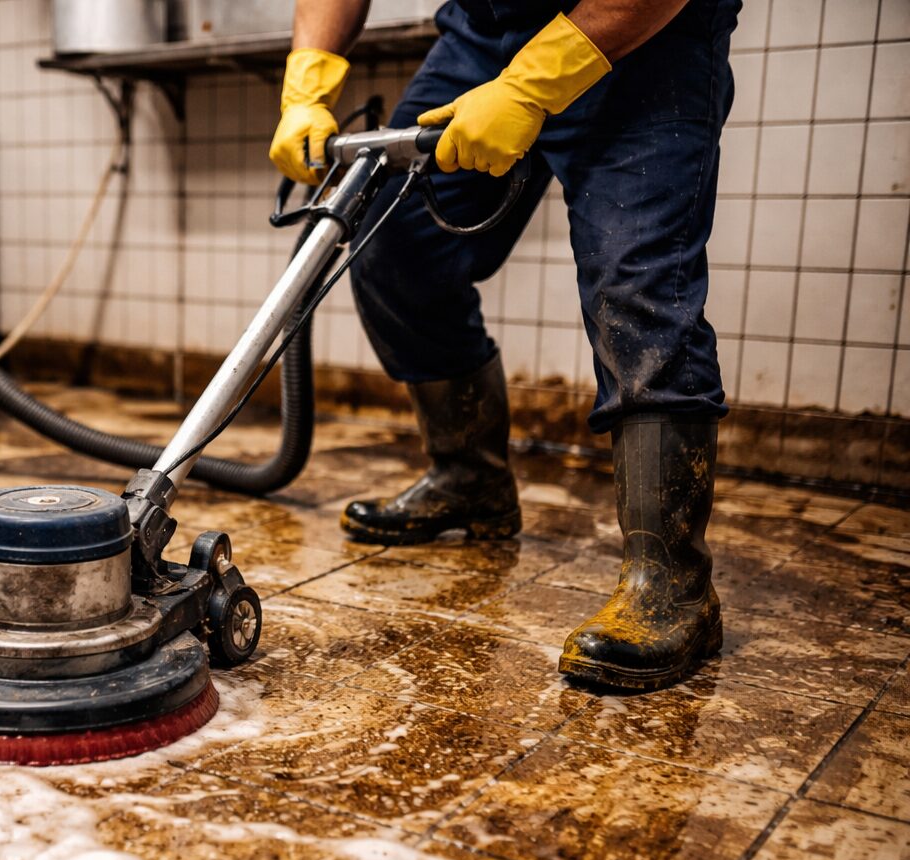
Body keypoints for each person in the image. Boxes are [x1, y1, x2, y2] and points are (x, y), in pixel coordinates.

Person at [270, 0, 738, 690]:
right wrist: (306, 82)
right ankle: (471, 480)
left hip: (643, 32)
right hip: (487, 29)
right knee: (394, 232)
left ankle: (670, 580)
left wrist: (527, 88)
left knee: (635, 278)